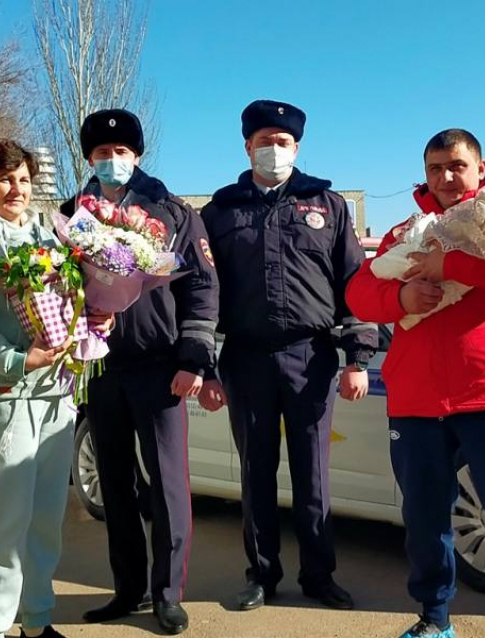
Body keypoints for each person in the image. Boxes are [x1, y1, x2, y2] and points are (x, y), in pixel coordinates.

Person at [345, 129, 485, 638]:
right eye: (435, 168)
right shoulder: (408, 232)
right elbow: (359, 293)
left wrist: (450, 264)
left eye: (456, 166)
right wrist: (400, 300)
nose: (445, 177)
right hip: (415, 400)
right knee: (424, 521)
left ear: (480, 169)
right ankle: (434, 619)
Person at [198, 99, 377, 612]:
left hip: (312, 357)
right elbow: (203, 292)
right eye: (263, 141)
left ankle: (319, 574)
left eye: (282, 142)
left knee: (312, 475)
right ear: (246, 146)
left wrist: (357, 358)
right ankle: (262, 574)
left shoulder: (329, 205)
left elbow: (354, 287)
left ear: (296, 147)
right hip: (247, 357)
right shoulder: (221, 210)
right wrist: (205, 365)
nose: (273, 150)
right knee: (255, 472)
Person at [0, 139, 111, 638]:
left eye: (23, 179)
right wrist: (16, 359)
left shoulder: (49, 236)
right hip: (7, 393)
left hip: (56, 392)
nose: (16, 189)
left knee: (46, 515)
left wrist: (95, 320)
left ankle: (36, 620)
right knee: (9, 517)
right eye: (4, 179)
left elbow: (71, 300)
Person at [62, 109, 218, 636]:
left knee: (169, 485)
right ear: (89, 158)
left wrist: (193, 358)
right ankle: (126, 589)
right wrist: (81, 317)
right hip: (101, 368)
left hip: (159, 368)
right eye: (102, 154)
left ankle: (168, 593)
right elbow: (59, 288)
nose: (113, 161)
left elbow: (201, 287)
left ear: (138, 154)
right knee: (115, 484)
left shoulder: (171, 211)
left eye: (122, 152)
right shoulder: (72, 214)